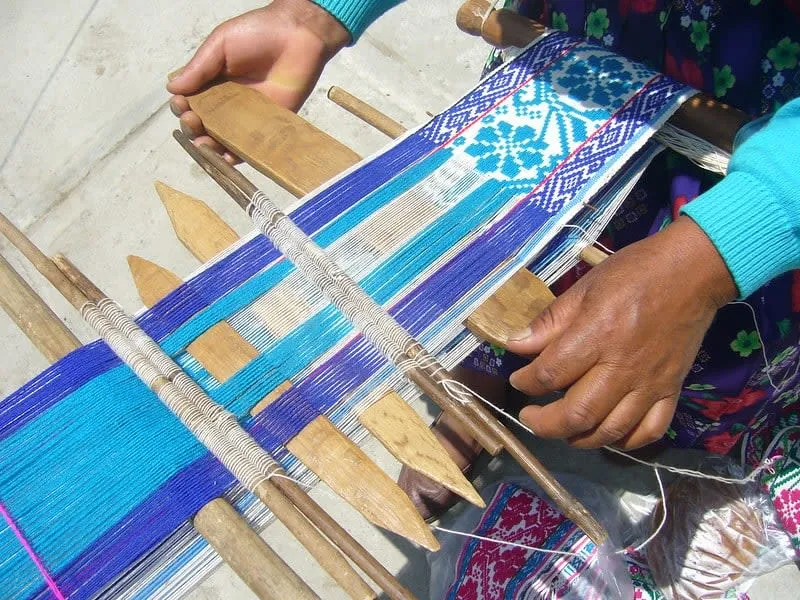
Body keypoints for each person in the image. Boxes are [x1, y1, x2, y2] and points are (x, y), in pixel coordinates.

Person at [169, 0, 800, 552]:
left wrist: (712, 257)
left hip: (767, 117)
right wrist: (320, 12)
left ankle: (671, 430)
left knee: (694, 348)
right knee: (513, 251)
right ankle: (491, 385)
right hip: (589, 54)